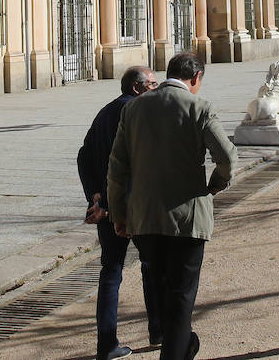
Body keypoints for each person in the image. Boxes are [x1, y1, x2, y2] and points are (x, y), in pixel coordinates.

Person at [107, 53, 238, 360]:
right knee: (181, 295)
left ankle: (184, 342)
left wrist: (119, 213)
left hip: (144, 217)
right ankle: (177, 350)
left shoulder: (134, 108)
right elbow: (228, 158)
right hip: (187, 216)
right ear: (196, 78)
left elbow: (116, 167)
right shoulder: (199, 107)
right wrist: (215, 185)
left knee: (162, 288)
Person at [77, 65, 162, 360]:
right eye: (152, 84)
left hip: (106, 209)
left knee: (111, 272)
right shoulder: (140, 114)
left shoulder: (104, 113)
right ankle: (158, 329)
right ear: (137, 88)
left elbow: (84, 155)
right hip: (134, 206)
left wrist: (95, 197)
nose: (157, 87)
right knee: (152, 266)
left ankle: (107, 344)